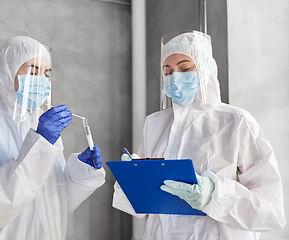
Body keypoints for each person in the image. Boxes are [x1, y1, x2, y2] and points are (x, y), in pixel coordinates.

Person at [112, 31, 286, 239]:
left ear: (205, 69)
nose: (174, 78)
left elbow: (270, 209)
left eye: (185, 69)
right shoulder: (155, 124)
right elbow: (140, 203)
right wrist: (134, 177)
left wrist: (214, 194)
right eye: (167, 72)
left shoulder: (235, 121)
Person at [0, 36, 106, 240]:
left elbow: (54, 200)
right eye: (33, 71)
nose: (42, 81)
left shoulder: (43, 125)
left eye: (46, 74)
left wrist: (81, 172)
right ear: (7, 73)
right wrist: (39, 145)